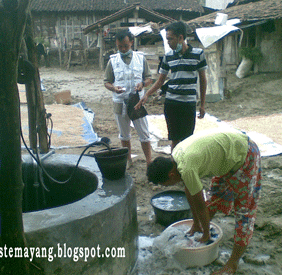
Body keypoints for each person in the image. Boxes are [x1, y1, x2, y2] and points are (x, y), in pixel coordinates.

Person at [147, 129, 262, 275]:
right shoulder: (176, 157)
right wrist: (196, 223)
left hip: (245, 154)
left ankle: (232, 264)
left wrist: (206, 234)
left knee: (244, 211)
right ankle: (203, 226)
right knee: (215, 196)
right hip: (227, 155)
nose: (169, 187)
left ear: (171, 175)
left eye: (166, 185)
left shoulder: (186, 167)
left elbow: (200, 205)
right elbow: (190, 192)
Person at [135, 21, 208, 151]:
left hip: (188, 104)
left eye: (170, 39)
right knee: (174, 139)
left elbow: (203, 80)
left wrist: (202, 104)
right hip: (171, 104)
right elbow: (160, 81)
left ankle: (183, 169)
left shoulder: (198, 54)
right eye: (167, 39)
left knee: (187, 140)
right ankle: (174, 168)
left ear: (181, 37)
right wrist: (147, 94)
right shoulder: (168, 57)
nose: (168, 42)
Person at [104, 29, 153, 166]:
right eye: (120, 47)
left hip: (137, 102)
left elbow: (149, 78)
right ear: (116, 45)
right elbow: (106, 82)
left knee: (144, 133)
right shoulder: (112, 61)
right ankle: (128, 160)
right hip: (120, 102)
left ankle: (149, 161)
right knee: (124, 134)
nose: (123, 49)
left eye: (126, 46)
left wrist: (143, 84)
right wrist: (113, 88)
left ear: (131, 42)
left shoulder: (140, 58)